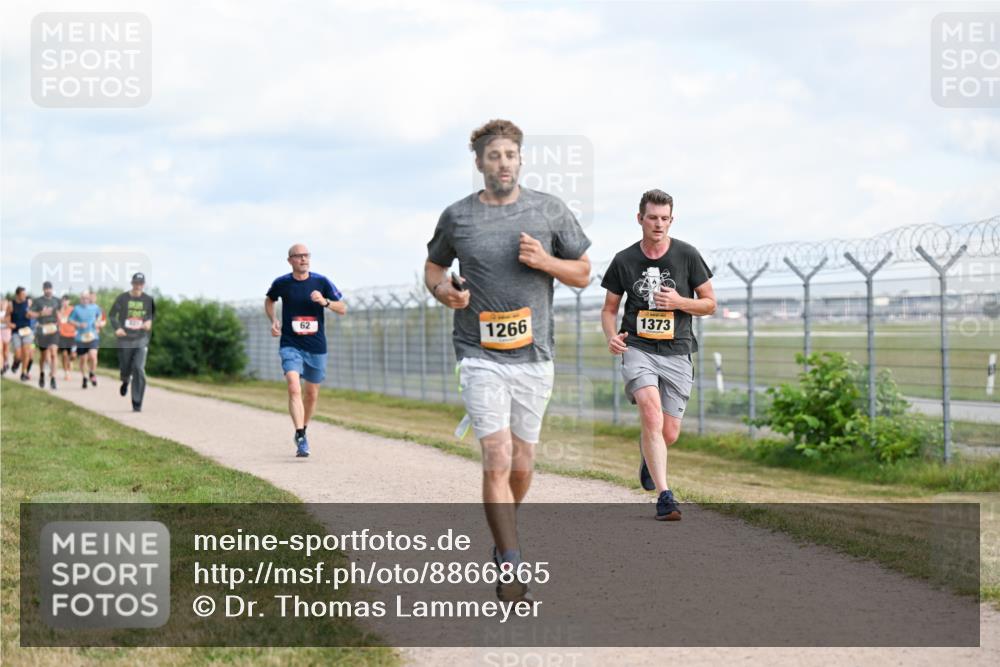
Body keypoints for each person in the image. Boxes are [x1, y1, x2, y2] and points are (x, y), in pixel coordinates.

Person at [424, 119, 591, 601]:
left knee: (523, 463)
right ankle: (513, 562)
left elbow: (582, 273)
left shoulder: (549, 211)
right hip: (478, 353)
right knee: (496, 456)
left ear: (520, 160)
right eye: (493, 156)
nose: (502, 163)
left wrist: (546, 262)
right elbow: (435, 267)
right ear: (479, 163)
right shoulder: (457, 217)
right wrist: (443, 292)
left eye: (510, 155)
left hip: (535, 355)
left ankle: (503, 536)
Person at [601, 189, 716, 521]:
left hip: (677, 350)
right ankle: (665, 497)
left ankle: (649, 456)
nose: (658, 224)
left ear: (671, 220)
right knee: (651, 415)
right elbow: (609, 310)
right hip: (638, 347)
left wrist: (679, 302)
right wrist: (612, 337)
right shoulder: (624, 260)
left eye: (664, 218)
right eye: (652, 217)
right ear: (640, 219)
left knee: (668, 433)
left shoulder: (687, 255)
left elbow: (709, 303)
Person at [265, 244, 346, 457]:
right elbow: (269, 300)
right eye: (299, 256)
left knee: (311, 394)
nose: (303, 259)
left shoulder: (321, 282)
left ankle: (304, 429)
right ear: (290, 260)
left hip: (316, 347)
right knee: (294, 387)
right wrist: (273, 320)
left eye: (306, 255)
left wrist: (325, 302)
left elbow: (343, 308)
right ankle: (300, 435)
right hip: (291, 344)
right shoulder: (282, 283)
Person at [109, 273, 155, 411]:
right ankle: (125, 381)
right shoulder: (123, 298)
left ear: (143, 284)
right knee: (125, 367)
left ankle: (137, 402)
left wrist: (148, 322)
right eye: (136, 283)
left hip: (141, 339)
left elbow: (151, 317)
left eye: (140, 283)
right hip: (125, 339)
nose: (138, 286)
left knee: (139, 368)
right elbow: (112, 315)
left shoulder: (148, 300)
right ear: (132, 283)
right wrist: (117, 328)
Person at [29, 281, 62, 390]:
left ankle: (53, 378)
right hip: (42, 329)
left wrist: (59, 318)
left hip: (54, 329)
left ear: (52, 289)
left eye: (50, 288)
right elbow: (30, 314)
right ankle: (42, 374)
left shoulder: (57, 301)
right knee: (43, 356)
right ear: (43, 289)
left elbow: (61, 313)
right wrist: (40, 314)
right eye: (46, 288)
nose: (48, 290)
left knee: (53, 353)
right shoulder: (38, 301)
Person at [69, 291, 104, 388]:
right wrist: (78, 324)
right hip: (81, 338)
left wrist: (98, 323)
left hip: (93, 336)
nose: (85, 300)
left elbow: (101, 317)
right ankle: (84, 377)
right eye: (83, 298)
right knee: (83, 359)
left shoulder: (95, 307)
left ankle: (92, 373)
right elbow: (70, 320)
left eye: (87, 298)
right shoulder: (76, 309)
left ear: (89, 299)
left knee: (93, 356)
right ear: (80, 299)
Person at [10, 287, 34, 381]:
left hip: (27, 331)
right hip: (16, 332)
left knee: (26, 352)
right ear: (17, 295)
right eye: (22, 294)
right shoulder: (11, 304)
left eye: (25, 294)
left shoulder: (28, 302)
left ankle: (23, 373)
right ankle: (16, 362)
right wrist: (9, 323)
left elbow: (33, 312)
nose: (25, 296)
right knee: (18, 354)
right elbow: (8, 316)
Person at [57, 295, 78, 380]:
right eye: (63, 301)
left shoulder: (73, 309)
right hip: (62, 335)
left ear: (69, 302)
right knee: (65, 354)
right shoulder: (58, 311)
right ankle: (66, 373)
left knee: (73, 355)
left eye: (66, 301)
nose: (65, 303)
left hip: (73, 336)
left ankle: (71, 361)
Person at [0, 295, 11, 375]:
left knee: (5, 350)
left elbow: (9, 321)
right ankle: (2, 366)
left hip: (6, 330)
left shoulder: (8, 311)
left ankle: (6, 362)